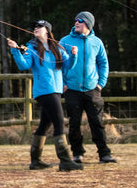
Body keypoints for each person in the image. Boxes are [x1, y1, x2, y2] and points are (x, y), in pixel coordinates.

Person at [8, 20, 83, 171]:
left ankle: (35, 161)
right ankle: (65, 161)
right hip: (44, 91)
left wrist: (74, 55)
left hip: (56, 90)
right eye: (34, 27)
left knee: (44, 124)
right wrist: (15, 50)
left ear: (47, 30)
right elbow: (24, 65)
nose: (35, 29)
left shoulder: (57, 48)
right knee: (59, 121)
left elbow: (68, 66)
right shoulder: (31, 48)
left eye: (39, 27)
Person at [62, 11, 117, 164]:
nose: (76, 22)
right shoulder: (65, 41)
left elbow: (103, 63)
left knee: (97, 123)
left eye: (80, 20)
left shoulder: (97, 42)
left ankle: (104, 154)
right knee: (74, 124)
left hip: (93, 90)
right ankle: (77, 154)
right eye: (75, 20)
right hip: (72, 89)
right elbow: (59, 64)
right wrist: (63, 84)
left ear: (88, 24)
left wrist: (101, 84)